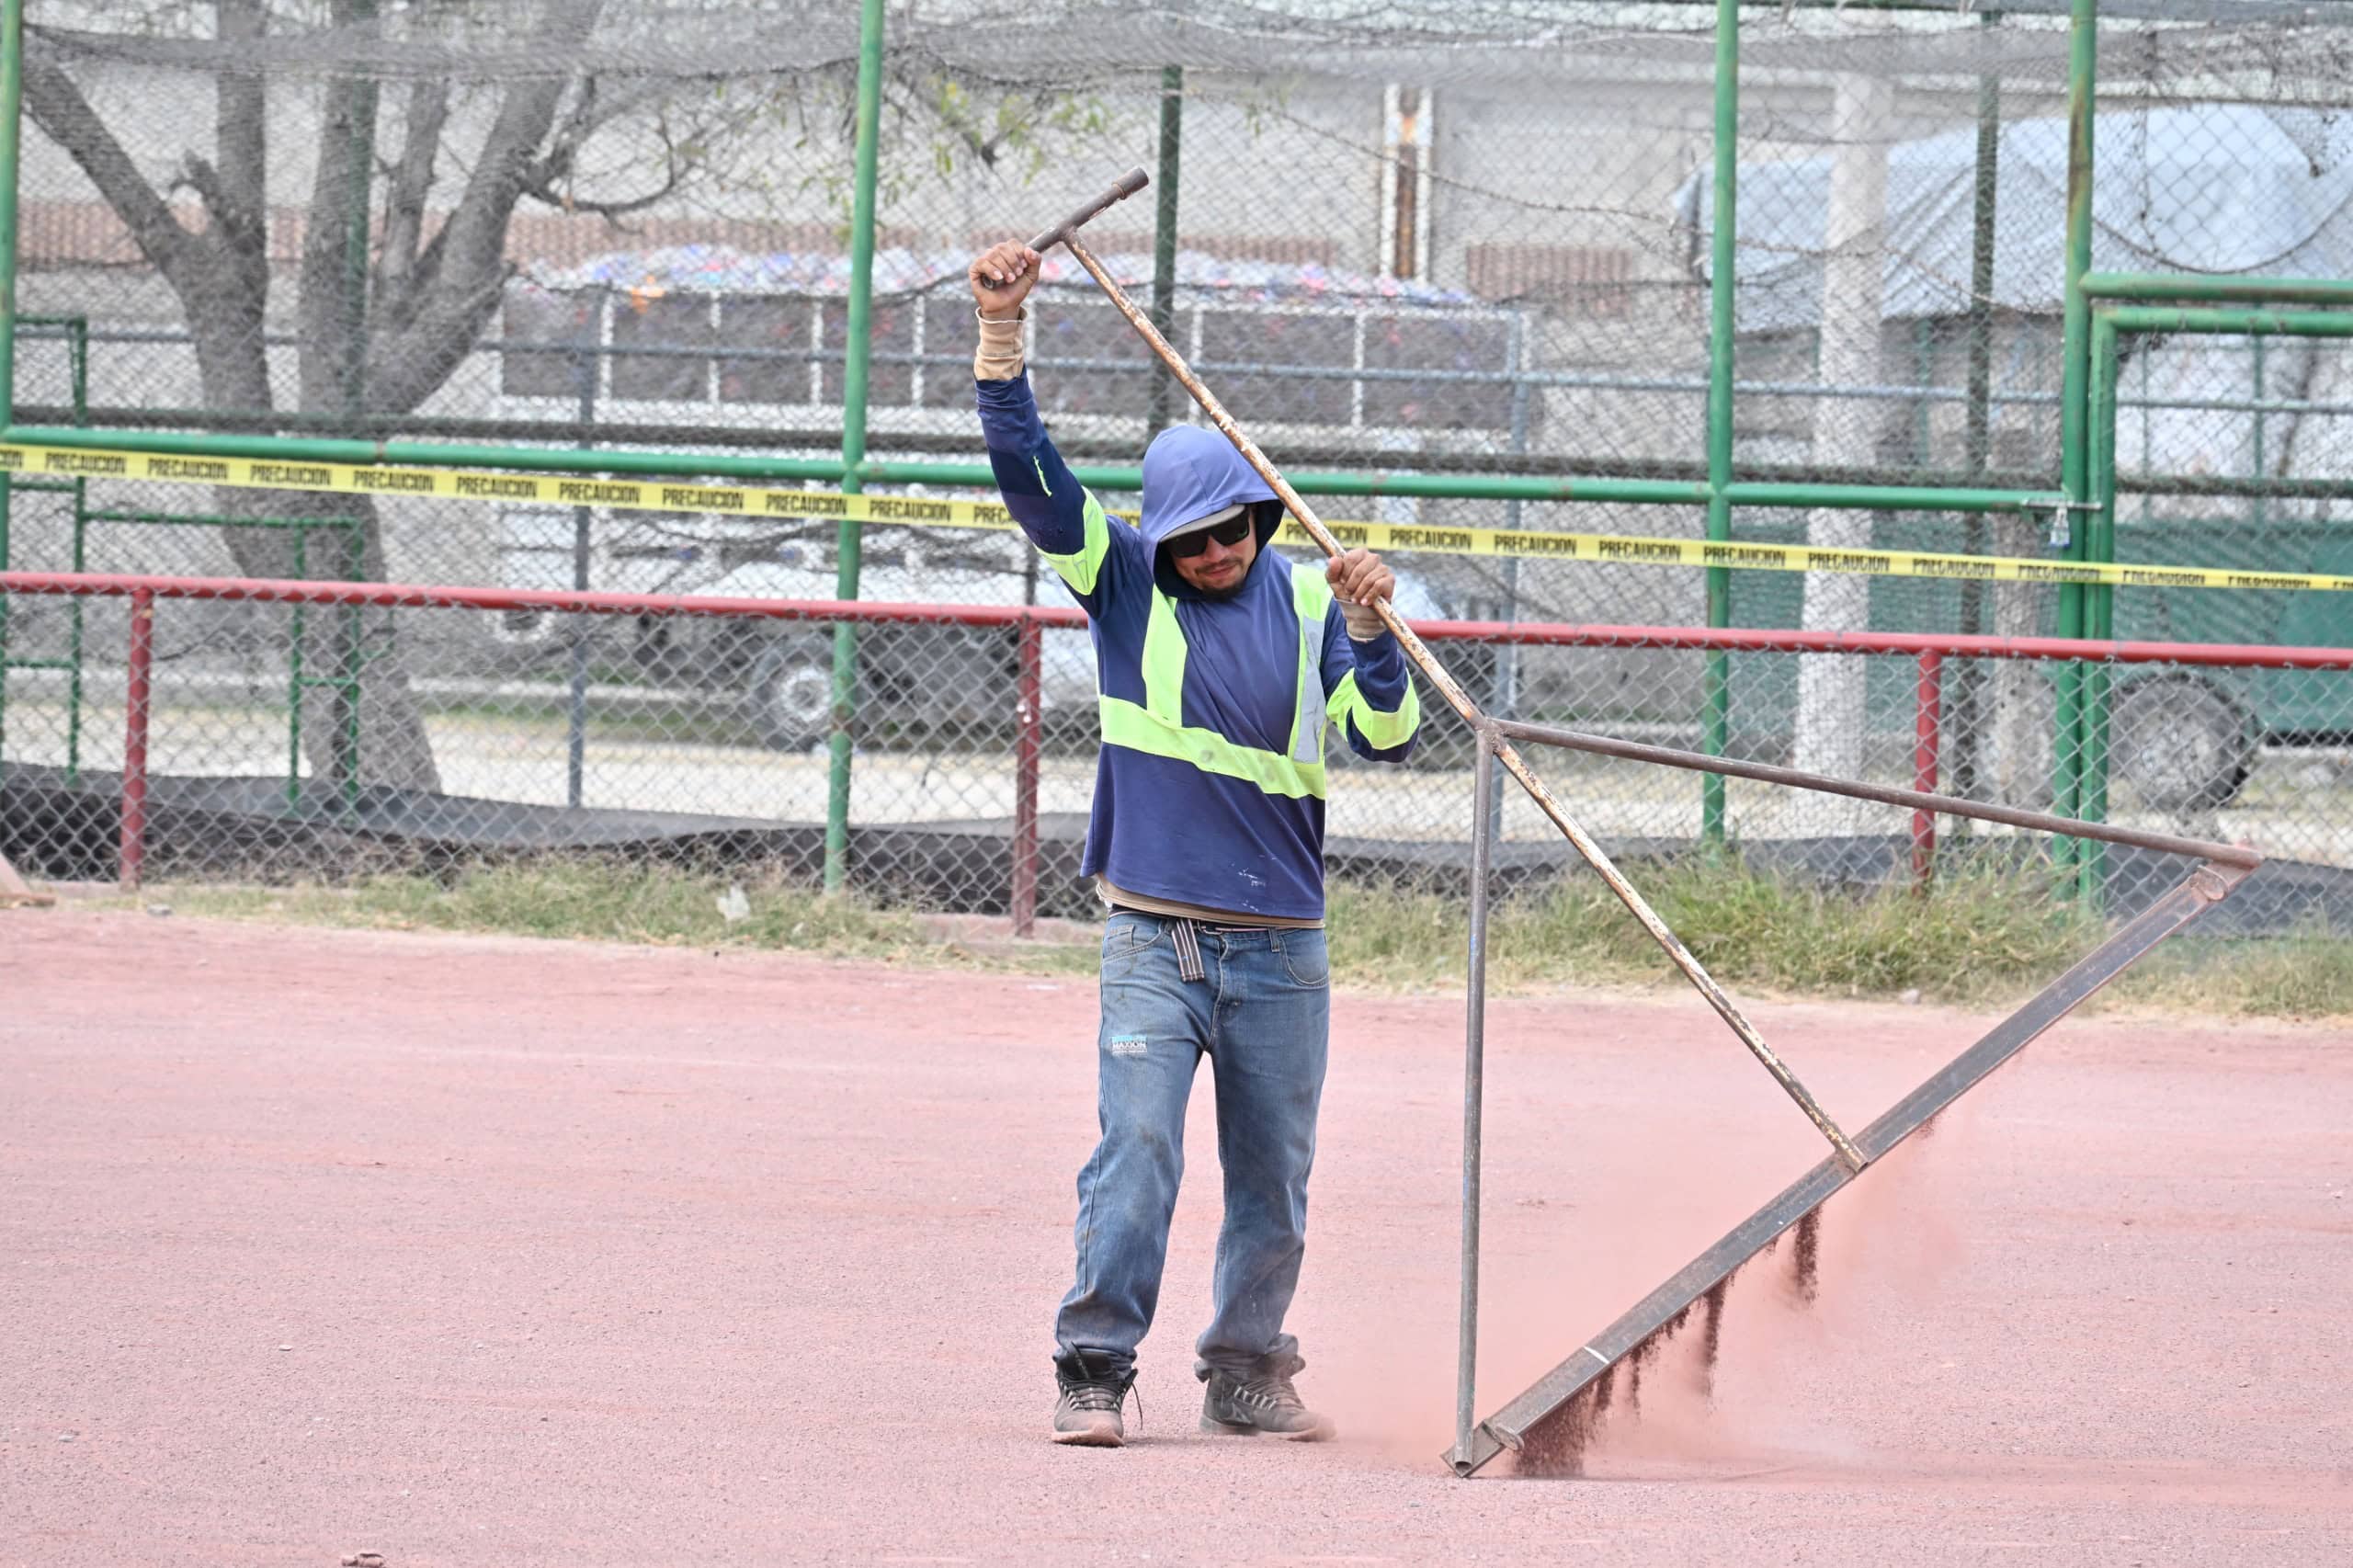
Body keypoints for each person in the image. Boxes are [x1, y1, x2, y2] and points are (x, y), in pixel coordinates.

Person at [967, 238, 1423, 1449]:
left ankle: (1245, 1371)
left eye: (1231, 532)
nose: (1214, 554)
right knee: (1138, 1149)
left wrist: (1376, 635)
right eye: (1192, 540)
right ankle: (1093, 1366)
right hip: (1153, 939)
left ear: (1259, 516)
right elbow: (1027, 472)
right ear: (1160, 539)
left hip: (1283, 948)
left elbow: (1386, 738)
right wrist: (1003, 334)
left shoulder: (1319, 602)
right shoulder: (1120, 580)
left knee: (1275, 1179)